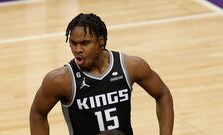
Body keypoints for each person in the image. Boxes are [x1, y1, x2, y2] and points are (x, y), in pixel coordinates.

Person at [30, 13, 174, 135]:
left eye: (84, 43)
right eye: (73, 43)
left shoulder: (130, 67)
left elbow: (162, 95)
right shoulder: (61, 80)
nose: (77, 49)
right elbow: (38, 113)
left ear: (101, 41)